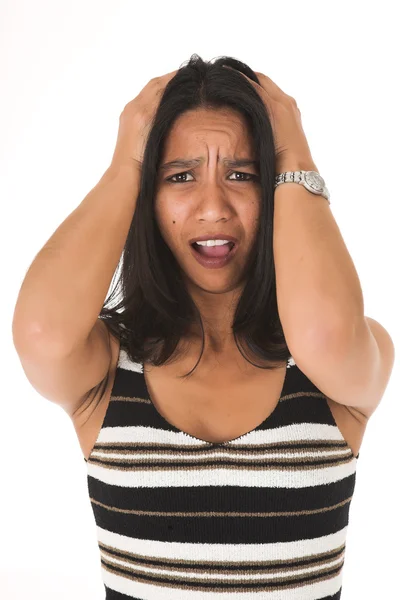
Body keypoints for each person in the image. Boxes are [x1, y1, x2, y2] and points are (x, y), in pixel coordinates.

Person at [12, 54, 395, 599]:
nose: (213, 207)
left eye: (243, 175)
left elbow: (325, 333)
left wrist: (293, 148)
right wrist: (127, 163)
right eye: (180, 176)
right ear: (147, 197)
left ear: (278, 191)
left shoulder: (340, 367)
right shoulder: (105, 368)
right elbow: (41, 332)